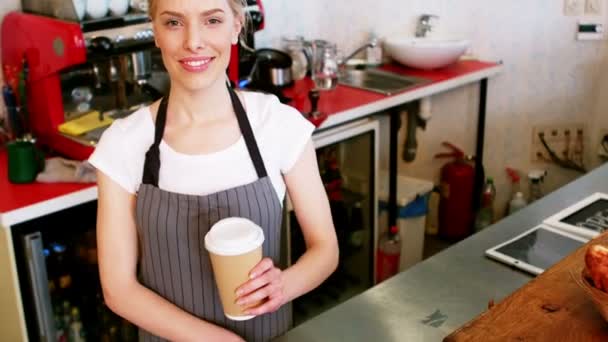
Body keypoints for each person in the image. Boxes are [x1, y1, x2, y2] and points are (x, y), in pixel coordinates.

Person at [88, 0, 339, 340]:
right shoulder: (124, 143)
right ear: (156, 32)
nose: (193, 41)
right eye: (174, 23)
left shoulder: (276, 124)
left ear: (237, 25)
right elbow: (118, 290)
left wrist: (283, 285)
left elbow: (325, 248)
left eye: (212, 20)